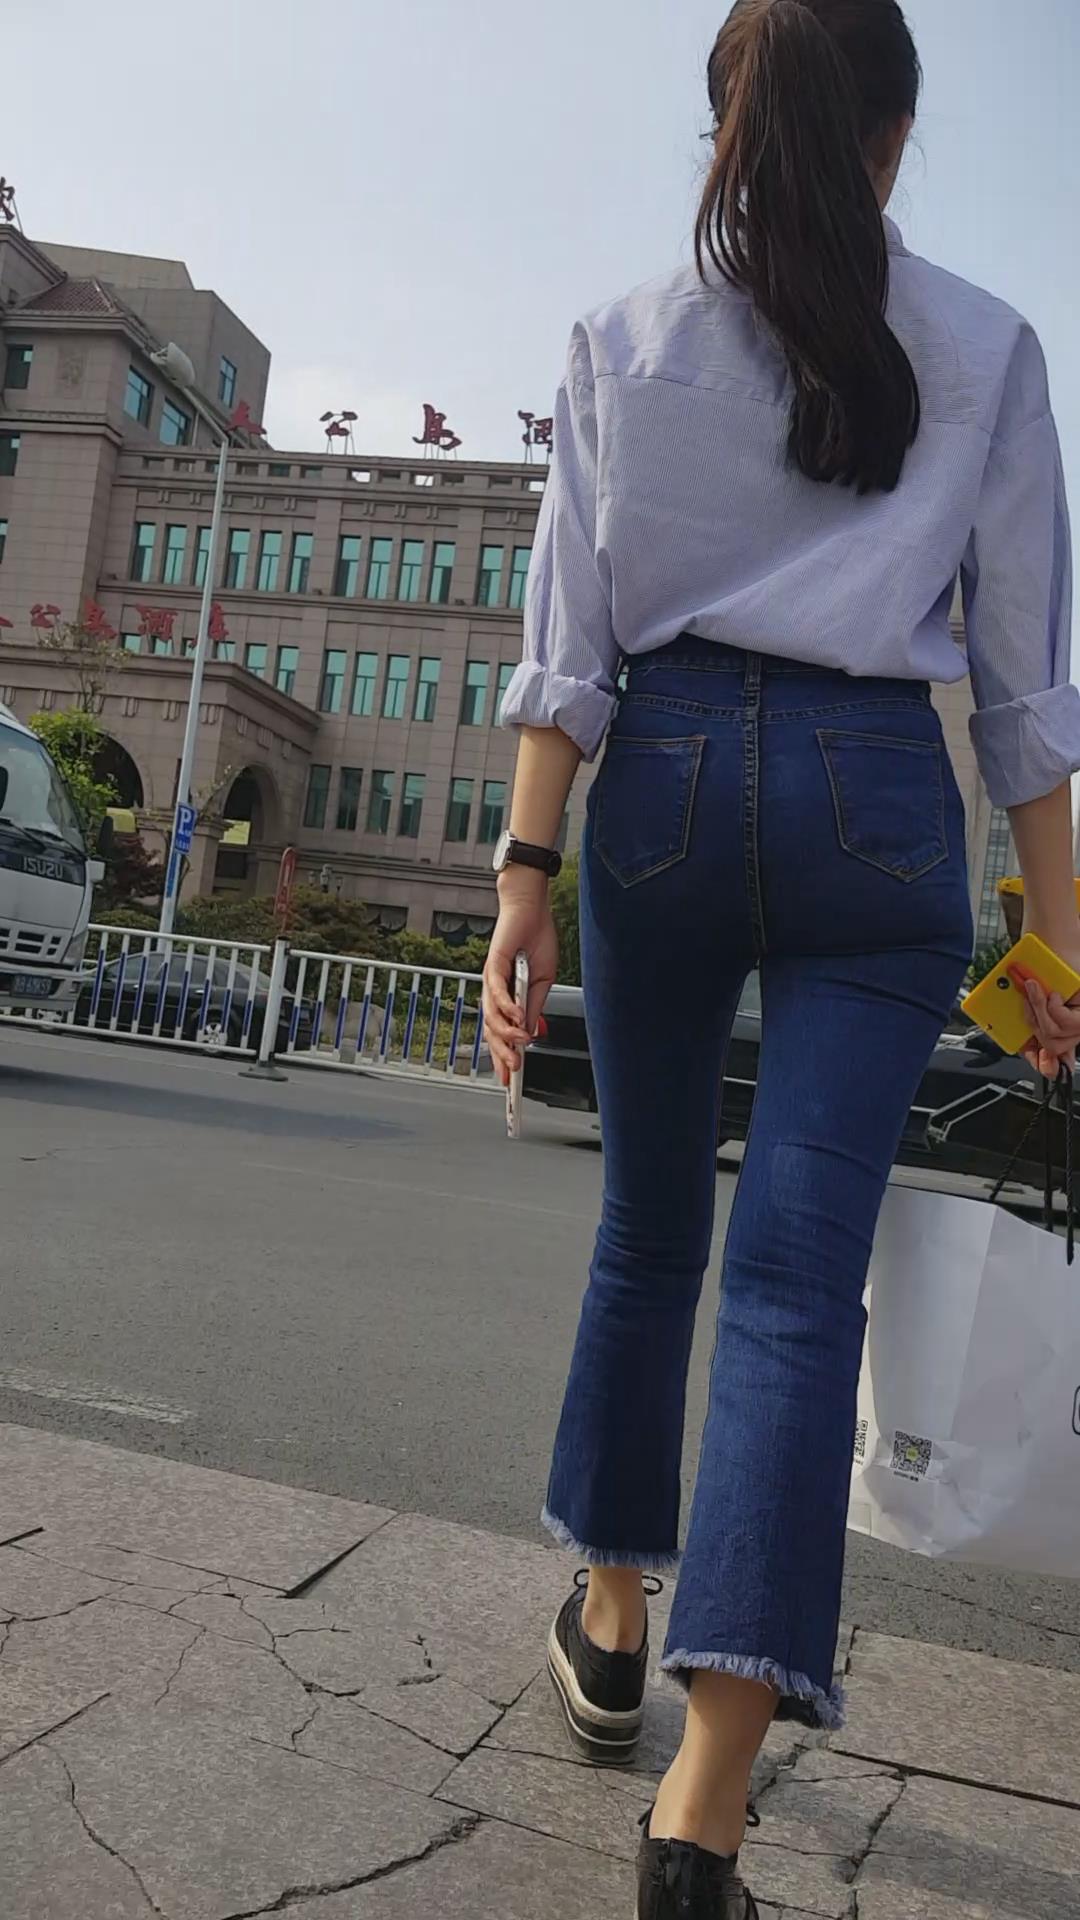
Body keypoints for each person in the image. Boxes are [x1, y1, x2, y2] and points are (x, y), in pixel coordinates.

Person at [483, 2, 1080, 1913]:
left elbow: (570, 637)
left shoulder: (621, 339)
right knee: (798, 1283)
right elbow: (1027, 692)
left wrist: (522, 877)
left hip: (656, 782)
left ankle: (609, 1617)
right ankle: (706, 1804)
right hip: (875, 804)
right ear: (895, 138)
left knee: (649, 1232)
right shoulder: (989, 345)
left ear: (724, 128)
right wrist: (1057, 946)